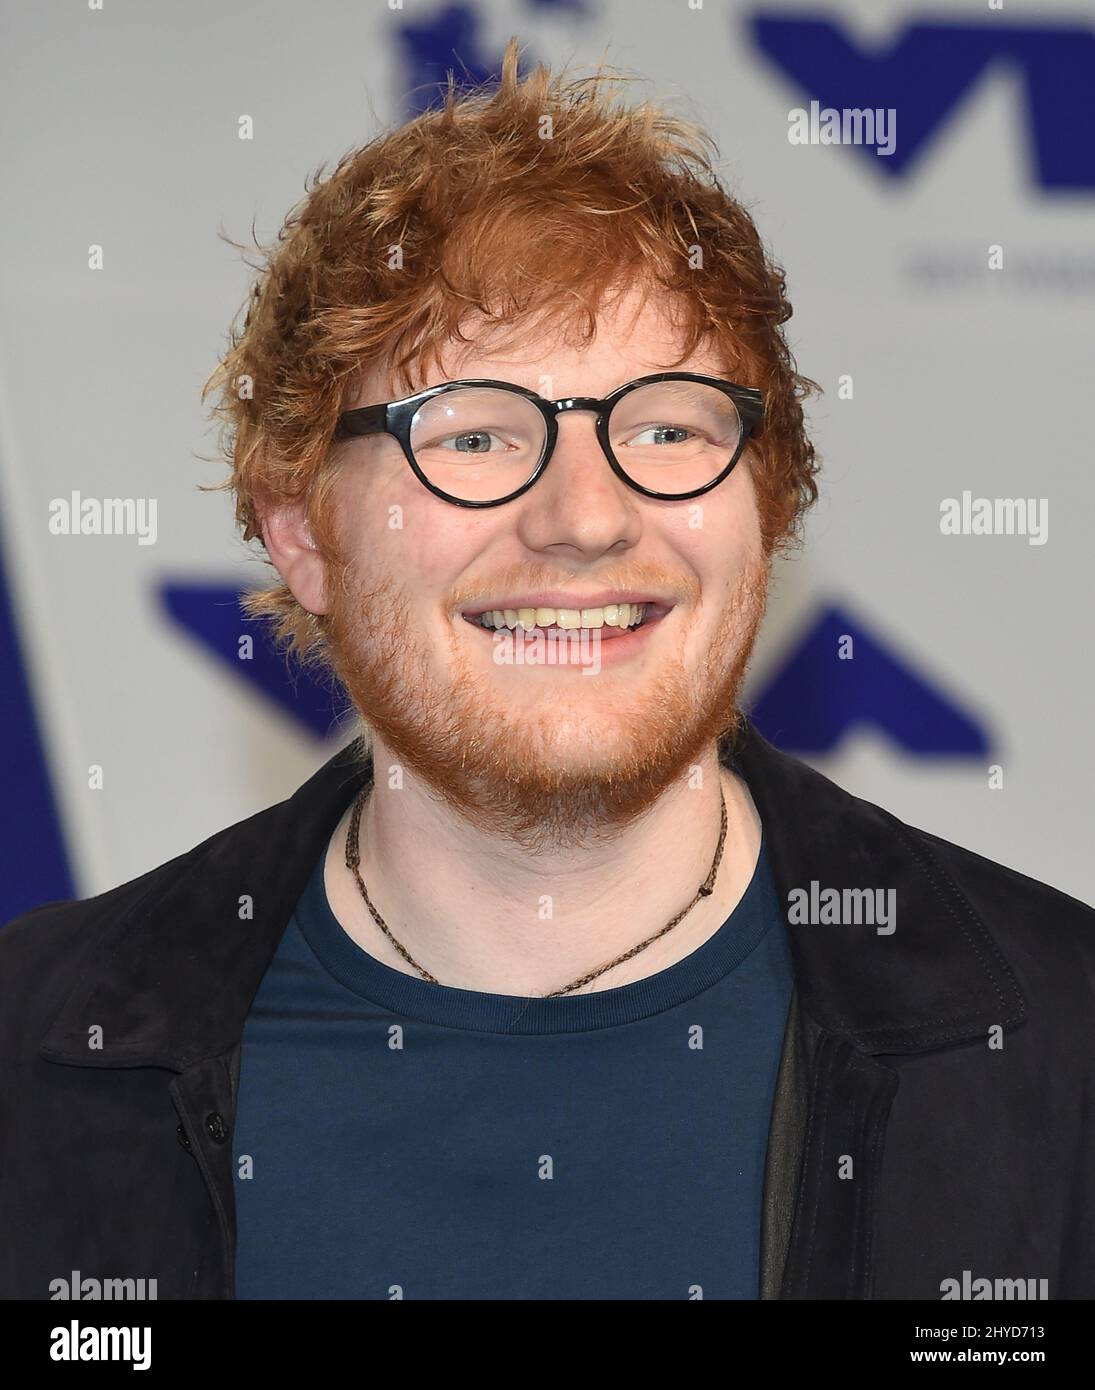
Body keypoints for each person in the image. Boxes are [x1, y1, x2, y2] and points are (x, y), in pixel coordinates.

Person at [2, 39, 1092, 1302]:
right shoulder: (39, 1054)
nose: (585, 515)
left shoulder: (1056, 1045)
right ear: (304, 531)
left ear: (768, 499)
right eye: (472, 433)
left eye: (668, 426)